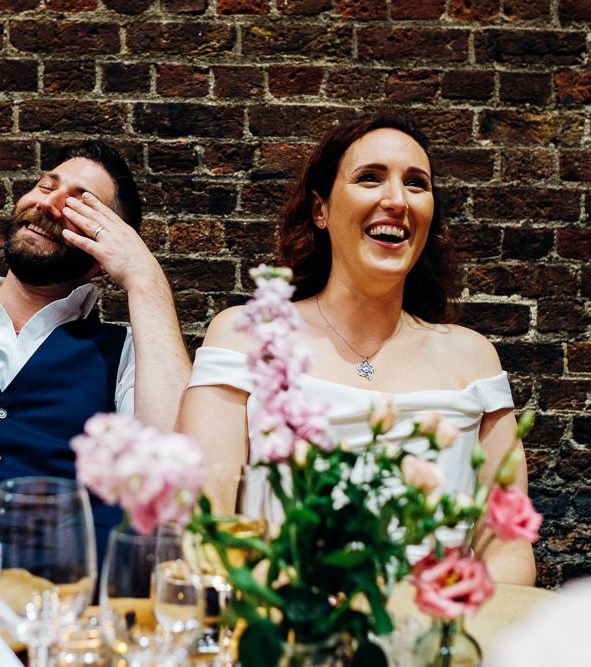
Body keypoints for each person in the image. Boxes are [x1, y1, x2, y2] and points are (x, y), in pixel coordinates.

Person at [179, 115, 536, 585]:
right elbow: (203, 530)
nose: (396, 200)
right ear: (320, 210)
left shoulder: (473, 359)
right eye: (370, 178)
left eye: (416, 184)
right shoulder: (246, 337)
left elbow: (507, 550)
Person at [0, 140, 191, 563]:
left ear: (107, 249)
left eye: (81, 205)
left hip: (55, 609)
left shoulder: (126, 358)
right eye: (47, 187)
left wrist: (145, 280)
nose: (49, 204)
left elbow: (176, 482)